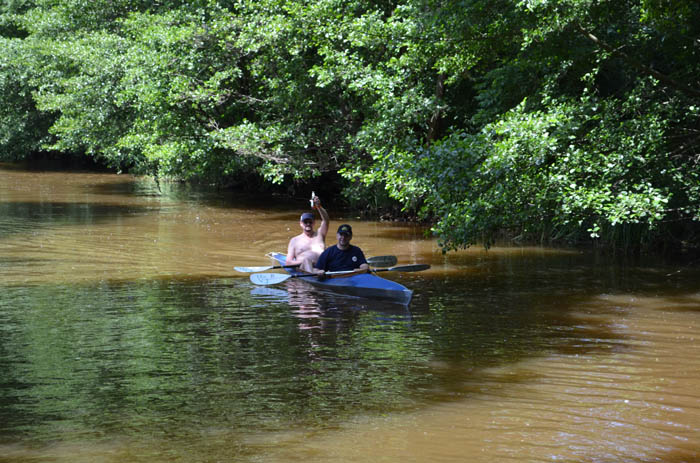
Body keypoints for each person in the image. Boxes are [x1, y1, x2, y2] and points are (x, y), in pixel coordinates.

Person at [286, 195, 330, 273]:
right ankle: (314, 274)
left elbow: (326, 220)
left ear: (314, 223)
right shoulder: (295, 240)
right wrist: (306, 262)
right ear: (300, 224)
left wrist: (318, 206)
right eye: (305, 222)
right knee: (306, 260)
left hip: (322, 267)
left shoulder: (320, 234)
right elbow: (288, 263)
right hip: (304, 269)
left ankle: (318, 272)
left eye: (310, 222)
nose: (308, 224)